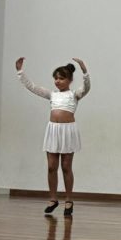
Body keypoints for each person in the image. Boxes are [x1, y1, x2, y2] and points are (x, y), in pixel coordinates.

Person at [16, 56, 90, 216]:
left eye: (61, 78)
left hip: (68, 131)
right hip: (53, 131)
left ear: (69, 80)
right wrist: (20, 72)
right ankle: (53, 198)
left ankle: (68, 199)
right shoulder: (52, 95)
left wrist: (84, 71)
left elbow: (86, 88)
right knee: (51, 167)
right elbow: (33, 87)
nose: (57, 81)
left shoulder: (74, 94)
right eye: (56, 78)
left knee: (66, 167)